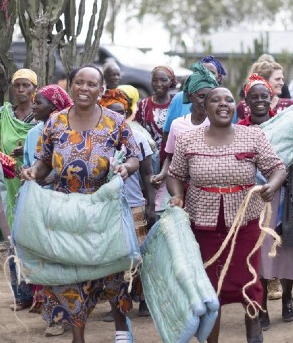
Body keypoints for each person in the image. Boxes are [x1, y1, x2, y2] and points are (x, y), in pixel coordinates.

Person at [21, 66, 141, 343]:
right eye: (79, 83)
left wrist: (125, 168)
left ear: (101, 90)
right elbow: (44, 161)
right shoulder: (55, 121)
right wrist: (33, 172)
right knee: (71, 272)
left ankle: (122, 330)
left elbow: (134, 157)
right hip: (66, 211)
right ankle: (78, 336)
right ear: (71, 86)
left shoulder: (115, 121)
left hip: (105, 208)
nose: (84, 88)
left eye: (91, 84)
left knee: (112, 272)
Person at [167, 86, 287, 343]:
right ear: (204, 107)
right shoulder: (188, 139)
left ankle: (253, 325)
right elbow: (175, 175)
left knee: (248, 278)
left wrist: (272, 185)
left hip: (245, 223)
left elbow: (277, 168)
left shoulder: (253, 135)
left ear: (236, 106)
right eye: (215, 100)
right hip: (203, 224)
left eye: (229, 100)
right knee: (209, 285)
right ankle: (211, 338)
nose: (223, 104)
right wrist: (177, 195)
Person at [236, 74, 293, 330]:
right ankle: (261, 305)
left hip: (284, 196)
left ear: (271, 97)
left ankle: (287, 298)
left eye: (264, 96)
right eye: (254, 97)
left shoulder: (284, 124)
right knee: (259, 253)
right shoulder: (239, 129)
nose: (260, 100)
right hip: (253, 199)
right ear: (246, 101)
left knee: (288, 247)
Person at [99, 89, 157, 319]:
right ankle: (120, 303)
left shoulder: (138, 137)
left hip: (134, 204)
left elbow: (147, 174)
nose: (118, 117)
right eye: (112, 113)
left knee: (140, 254)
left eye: (122, 112)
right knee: (113, 256)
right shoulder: (98, 139)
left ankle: (144, 299)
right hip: (107, 206)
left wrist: (151, 205)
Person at [22, 84, 74, 337]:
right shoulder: (35, 133)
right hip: (42, 205)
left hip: (66, 203)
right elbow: (33, 164)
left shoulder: (70, 130)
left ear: (54, 106)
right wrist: (30, 174)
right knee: (48, 258)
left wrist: (52, 177)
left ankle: (65, 314)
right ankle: (56, 312)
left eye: (38, 102)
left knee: (63, 259)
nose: (33, 106)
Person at [0, 68, 39, 310]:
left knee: (34, 237)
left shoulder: (41, 114)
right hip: (9, 179)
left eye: (26, 85)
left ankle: (39, 292)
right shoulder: (4, 114)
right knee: (14, 237)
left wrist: (27, 150)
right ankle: (21, 295)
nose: (21, 90)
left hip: (36, 179)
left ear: (34, 89)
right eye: (17, 85)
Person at [151, 63, 217, 196]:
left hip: (210, 191)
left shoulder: (217, 124)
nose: (205, 101)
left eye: (210, 97)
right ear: (190, 96)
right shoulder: (178, 125)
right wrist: (163, 174)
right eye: (201, 96)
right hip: (180, 187)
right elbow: (171, 157)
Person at [161, 55, 228, 138]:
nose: (206, 75)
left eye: (211, 72)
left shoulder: (225, 102)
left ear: (219, 78)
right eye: (201, 72)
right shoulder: (179, 98)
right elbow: (167, 133)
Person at [135, 66, 177, 173]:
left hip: (174, 159)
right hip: (151, 161)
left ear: (171, 81)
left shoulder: (176, 102)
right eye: (154, 80)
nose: (158, 84)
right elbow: (138, 130)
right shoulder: (144, 105)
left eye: (163, 80)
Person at [235, 54, 293, 120]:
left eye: (282, 79)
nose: (282, 83)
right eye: (277, 79)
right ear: (264, 80)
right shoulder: (243, 107)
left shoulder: (288, 105)